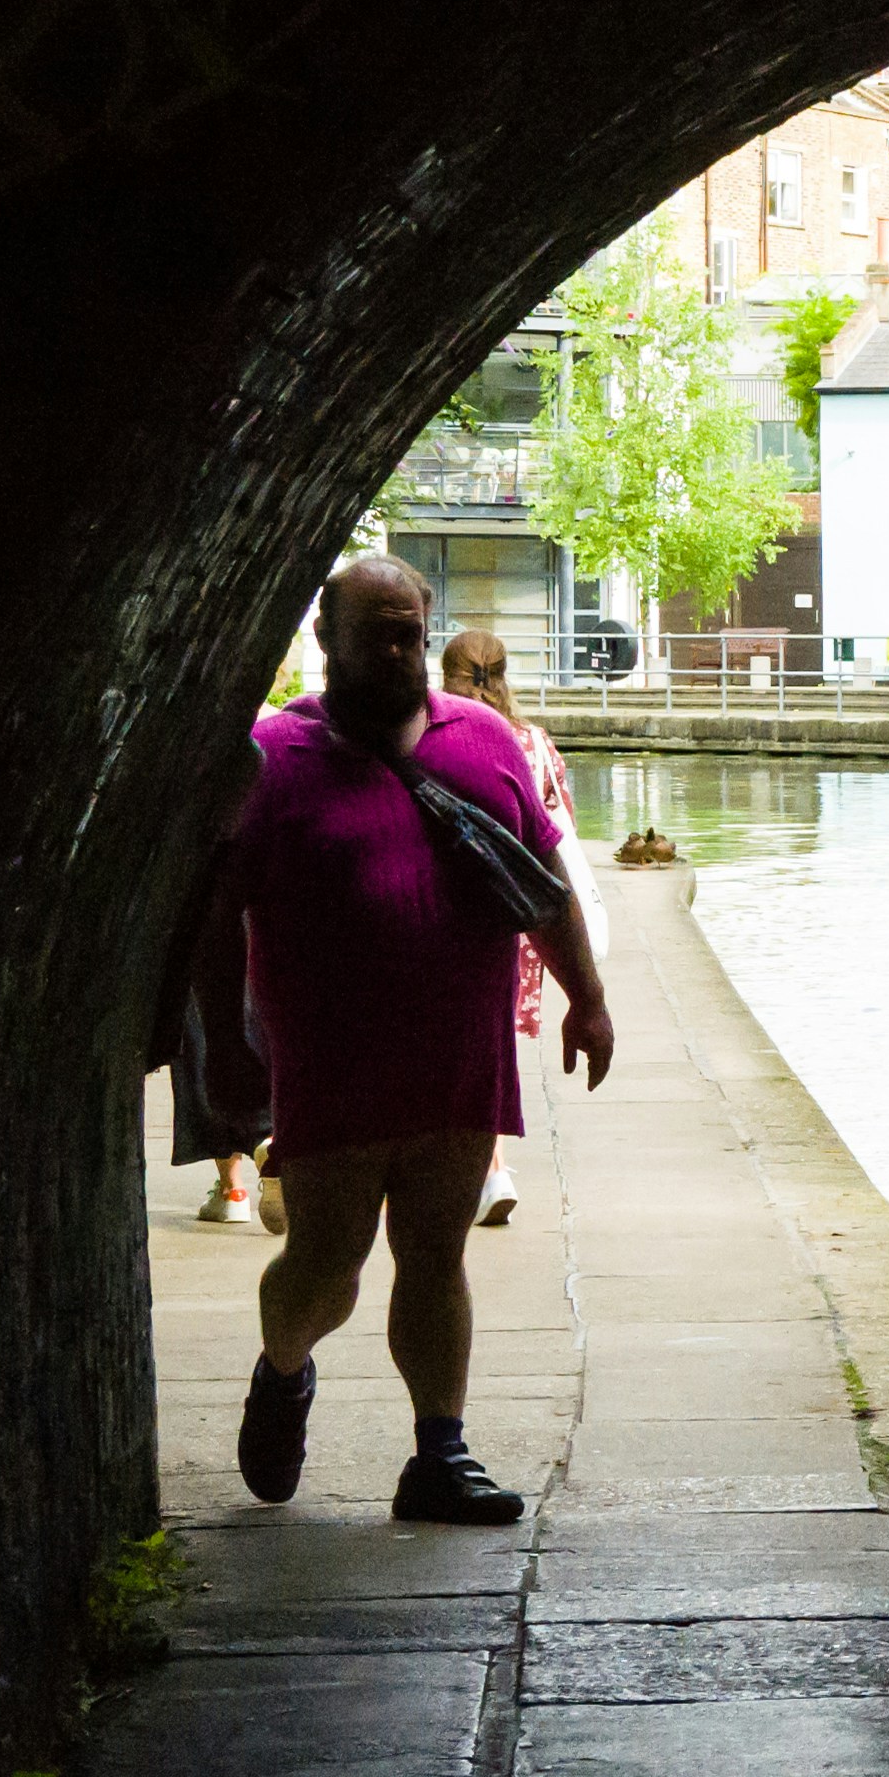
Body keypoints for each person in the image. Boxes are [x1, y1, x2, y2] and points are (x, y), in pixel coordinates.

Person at [196, 554, 615, 1524]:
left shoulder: (487, 743)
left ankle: (440, 1452)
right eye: (376, 634)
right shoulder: (273, 761)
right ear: (327, 642)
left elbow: (540, 884)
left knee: (436, 1255)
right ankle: (285, 1367)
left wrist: (587, 999)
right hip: (330, 1071)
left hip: (458, 1065)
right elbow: (218, 913)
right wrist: (223, 1036)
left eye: (411, 632)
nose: (398, 651)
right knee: (328, 1265)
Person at [436, 624, 589, 1227]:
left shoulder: (436, 735)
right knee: (494, 1041)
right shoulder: (532, 742)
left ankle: (489, 1163)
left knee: (462, 1038)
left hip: (458, 909)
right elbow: (561, 830)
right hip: (525, 920)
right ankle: (490, 1163)